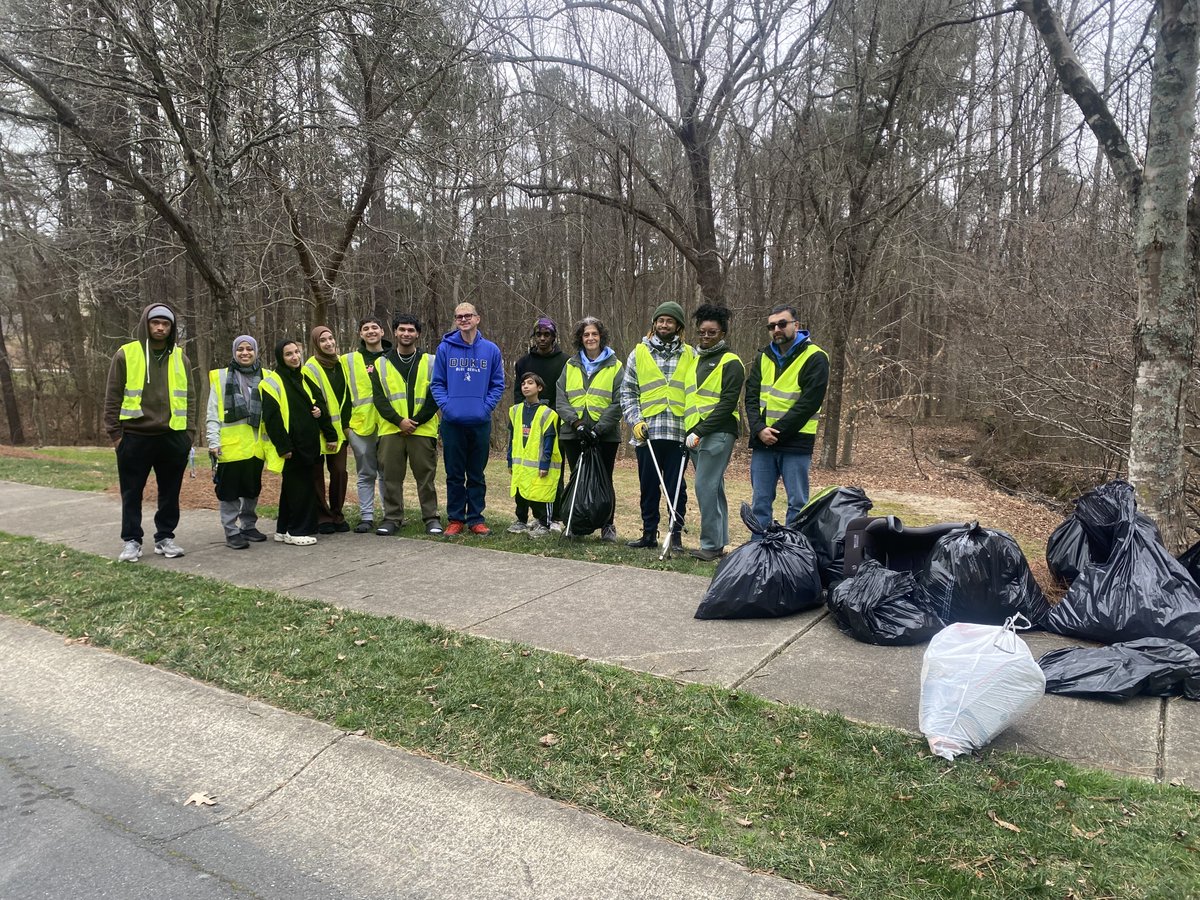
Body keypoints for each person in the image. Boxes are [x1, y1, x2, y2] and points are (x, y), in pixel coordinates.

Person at [103, 303, 196, 562]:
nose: (160, 327)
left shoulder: (181, 357)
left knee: (170, 492)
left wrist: (189, 434)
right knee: (132, 492)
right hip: (135, 436)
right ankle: (131, 540)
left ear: (171, 328)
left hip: (172, 437)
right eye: (155, 322)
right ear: (145, 324)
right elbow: (112, 397)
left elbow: (190, 397)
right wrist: (116, 436)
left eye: (165, 324)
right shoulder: (126, 354)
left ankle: (165, 537)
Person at [744, 305, 829, 532]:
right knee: (760, 503)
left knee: (798, 505)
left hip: (796, 442)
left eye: (782, 324)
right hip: (763, 442)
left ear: (796, 325)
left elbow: (809, 403)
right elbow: (750, 397)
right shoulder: (763, 356)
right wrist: (759, 429)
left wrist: (776, 432)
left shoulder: (816, 357)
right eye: (772, 326)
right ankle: (758, 552)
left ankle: (793, 553)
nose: (777, 329)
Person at [618, 301, 695, 551]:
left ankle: (675, 535)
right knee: (648, 487)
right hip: (647, 433)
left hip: (678, 433)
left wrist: (694, 427)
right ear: (654, 323)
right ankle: (649, 533)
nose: (664, 325)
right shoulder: (638, 353)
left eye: (669, 321)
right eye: (660, 320)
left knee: (676, 488)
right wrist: (635, 420)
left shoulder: (691, 354)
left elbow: (697, 393)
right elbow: (628, 391)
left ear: (678, 326)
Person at [430, 301, 505, 536]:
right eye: (459, 317)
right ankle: (455, 518)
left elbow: (497, 384)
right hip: (452, 422)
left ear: (477, 318)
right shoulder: (445, 349)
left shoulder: (491, 350)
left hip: (480, 422)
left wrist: (486, 408)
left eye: (468, 316)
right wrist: (447, 407)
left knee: (476, 474)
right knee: (454, 474)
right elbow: (437, 383)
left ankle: (475, 518)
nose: (463, 320)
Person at [260, 339, 338, 546]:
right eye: (288, 354)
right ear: (280, 357)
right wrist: (284, 447)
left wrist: (326, 427)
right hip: (292, 446)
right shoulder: (271, 383)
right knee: (300, 490)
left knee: (291, 490)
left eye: (296, 352)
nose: (294, 357)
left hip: (308, 444)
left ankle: (283, 529)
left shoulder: (303, 378)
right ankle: (298, 531)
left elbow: (317, 405)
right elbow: (272, 418)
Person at [371, 315, 443, 536]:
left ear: (418, 334)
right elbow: (379, 399)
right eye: (402, 329)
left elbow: (435, 394)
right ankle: (392, 518)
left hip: (423, 430)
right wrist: (399, 421)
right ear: (395, 332)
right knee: (391, 477)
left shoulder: (431, 361)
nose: (406, 334)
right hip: (392, 430)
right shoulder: (380, 363)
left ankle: (431, 518)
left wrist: (416, 421)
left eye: (411, 330)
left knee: (426, 478)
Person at [682, 305, 744, 561]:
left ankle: (709, 544)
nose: (706, 337)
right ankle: (717, 543)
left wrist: (699, 431)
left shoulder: (731, 362)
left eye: (712, 332)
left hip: (717, 432)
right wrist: (691, 430)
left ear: (723, 333)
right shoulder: (696, 360)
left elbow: (727, 404)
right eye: (702, 332)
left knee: (704, 486)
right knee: (713, 487)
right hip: (696, 433)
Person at [554, 316, 622, 542]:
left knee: (605, 479)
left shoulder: (615, 365)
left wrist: (598, 429)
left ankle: (607, 525)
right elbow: (561, 397)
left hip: (605, 435)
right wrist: (577, 423)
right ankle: (574, 523)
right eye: (586, 335)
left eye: (594, 334)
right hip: (574, 432)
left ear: (601, 336)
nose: (590, 338)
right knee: (576, 477)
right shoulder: (570, 364)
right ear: (580, 339)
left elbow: (619, 400)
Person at [206, 335, 269, 550]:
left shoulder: (267, 376)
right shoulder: (222, 377)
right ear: (234, 352)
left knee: (252, 490)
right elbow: (213, 412)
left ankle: (248, 525)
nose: (245, 353)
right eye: (240, 349)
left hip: (255, 447)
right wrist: (213, 441)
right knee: (229, 492)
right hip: (230, 448)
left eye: (249, 349)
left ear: (255, 351)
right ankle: (231, 530)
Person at [512, 317, 568, 526]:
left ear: (554, 337)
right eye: (538, 335)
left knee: (553, 470)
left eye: (547, 335)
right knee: (526, 470)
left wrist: (554, 416)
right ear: (533, 337)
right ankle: (525, 516)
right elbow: (518, 393)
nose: (542, 339)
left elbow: (566, 393)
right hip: (527, 426)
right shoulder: (524, 363)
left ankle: (555, 517)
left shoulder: (565, 361)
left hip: (554, 424)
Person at [342, 316, 390, 532]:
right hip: (360, 425)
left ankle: (390, 516)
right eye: (365, 329)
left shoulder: (393, 357)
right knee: (366, 473)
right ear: (360, 334)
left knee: (387, 473)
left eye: (374, 327)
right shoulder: (348, 360)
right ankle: (366, 517)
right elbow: (340, 394)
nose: (370, 331)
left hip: (389, 424)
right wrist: (346, 426)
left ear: (382, 331)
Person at [304, 326, 351, 533]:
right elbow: (317, 402)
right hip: (318, 431)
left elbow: (348, 396)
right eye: (323, 340)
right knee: (316, 474)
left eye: (331, 338)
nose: (329, 343)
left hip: (340, 431)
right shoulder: (310, 368)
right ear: (316, 344)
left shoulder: (342, 364)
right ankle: (322, 516)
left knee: (339, 472)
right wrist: (329, 432)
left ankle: (337, 514)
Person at [507, 373, 561, 538]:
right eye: (523, 383)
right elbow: (512, 437)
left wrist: (544, 463)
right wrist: (510, 459)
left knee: (541, 494)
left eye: (530, 383)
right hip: (520, 465)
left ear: (539, 388)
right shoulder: (515, 411)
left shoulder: (547, 413)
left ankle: (544, 523)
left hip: (539, 465)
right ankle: (521, 520)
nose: (525, 386)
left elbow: (549, 440)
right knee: (520, 493)